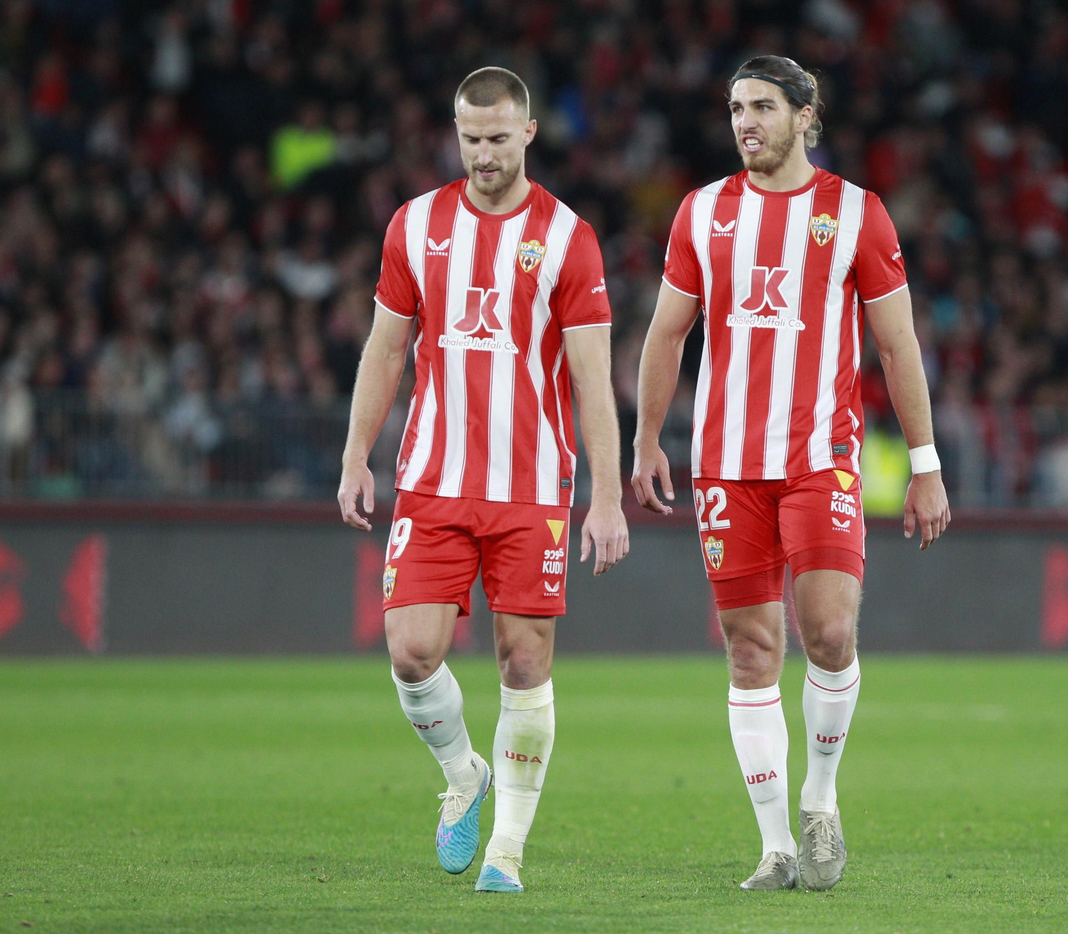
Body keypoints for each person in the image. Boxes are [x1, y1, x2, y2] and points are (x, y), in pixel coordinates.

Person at [631, 55, 950, 891]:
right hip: (727, 469)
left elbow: (897, 343)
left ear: (806, 115)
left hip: (820, 459)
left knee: (831, 633)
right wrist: (646, 440)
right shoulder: (702, 214)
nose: (746, 123)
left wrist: (926, 465)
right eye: (736, 108)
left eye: (763, 107)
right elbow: (667, 335)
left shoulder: (856, 213)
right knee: (750, 652)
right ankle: (775, 847)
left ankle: (819, 801)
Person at [338, 67, 629, 894]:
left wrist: (604, 497)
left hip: (532, 487)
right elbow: (387, 348)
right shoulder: (416, 224)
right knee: (411, 650)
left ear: (529, 133)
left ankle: (506, 850)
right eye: (471, 139)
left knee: (522, 663)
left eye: (499, 138)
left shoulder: (569, 237)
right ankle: (463, 774)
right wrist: (357, 455)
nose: (484, 153)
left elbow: (589, 377)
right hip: (432, 478)